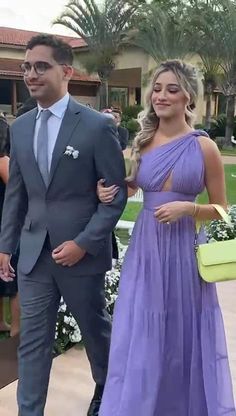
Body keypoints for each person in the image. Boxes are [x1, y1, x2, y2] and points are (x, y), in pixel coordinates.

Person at [97, 60, 236, 416]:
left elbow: (221, 208)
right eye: (157, 89)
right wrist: (109, 191)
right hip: (147, 248)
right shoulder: (142, 142)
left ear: (189, 97)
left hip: (185, 252)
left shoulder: (204, 147)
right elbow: (130, 189)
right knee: (143, 328)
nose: (161, 96)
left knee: (181, 330)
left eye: (172, 89)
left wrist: (188, 211)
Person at [0, 34, 127, 416]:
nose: (31, 74)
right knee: (33, 343)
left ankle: (107, 390)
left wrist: (84, 243)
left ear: (66, 71)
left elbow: (115, 197)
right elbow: (17, 195)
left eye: (42, 66)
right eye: (26, 67)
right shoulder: (19, 128)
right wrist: (6, 245)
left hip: (80, 257)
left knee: (94, 333)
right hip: (35, 255)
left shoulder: (94, 127)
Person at [0, 112, 20, 337]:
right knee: (14, 279)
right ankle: (16, 327)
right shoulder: (3, 161)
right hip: (6, 221)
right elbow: (15, 192)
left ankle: (3, 323)